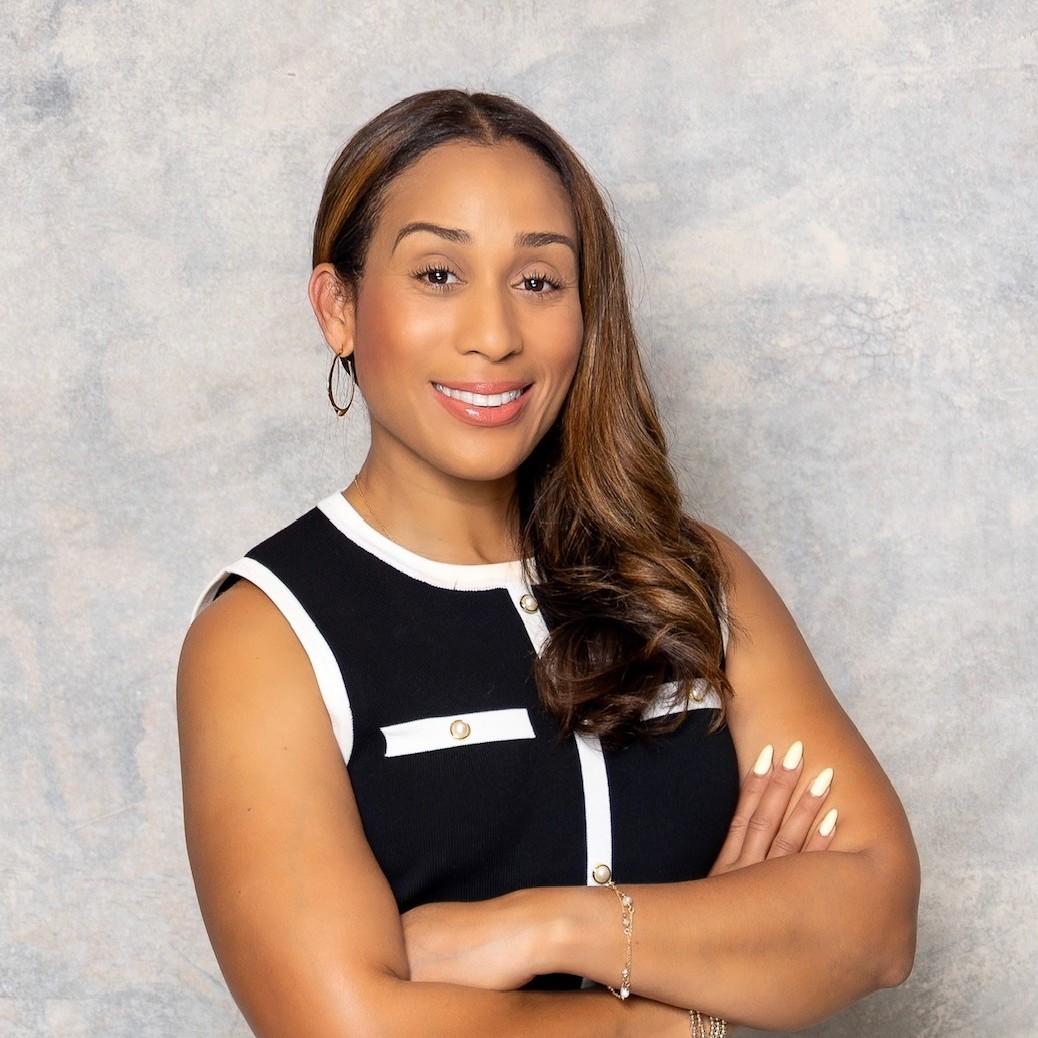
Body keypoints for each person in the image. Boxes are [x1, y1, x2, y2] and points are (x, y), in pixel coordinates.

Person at [177, 89, 919, 1037]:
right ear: (339, 307)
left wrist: (542, 929)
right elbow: (351, 1028)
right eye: (438, 273)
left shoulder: (697, 581)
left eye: (538, 281)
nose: (495, 336)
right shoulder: (263, 636)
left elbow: (878, 916)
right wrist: (686, 1011)